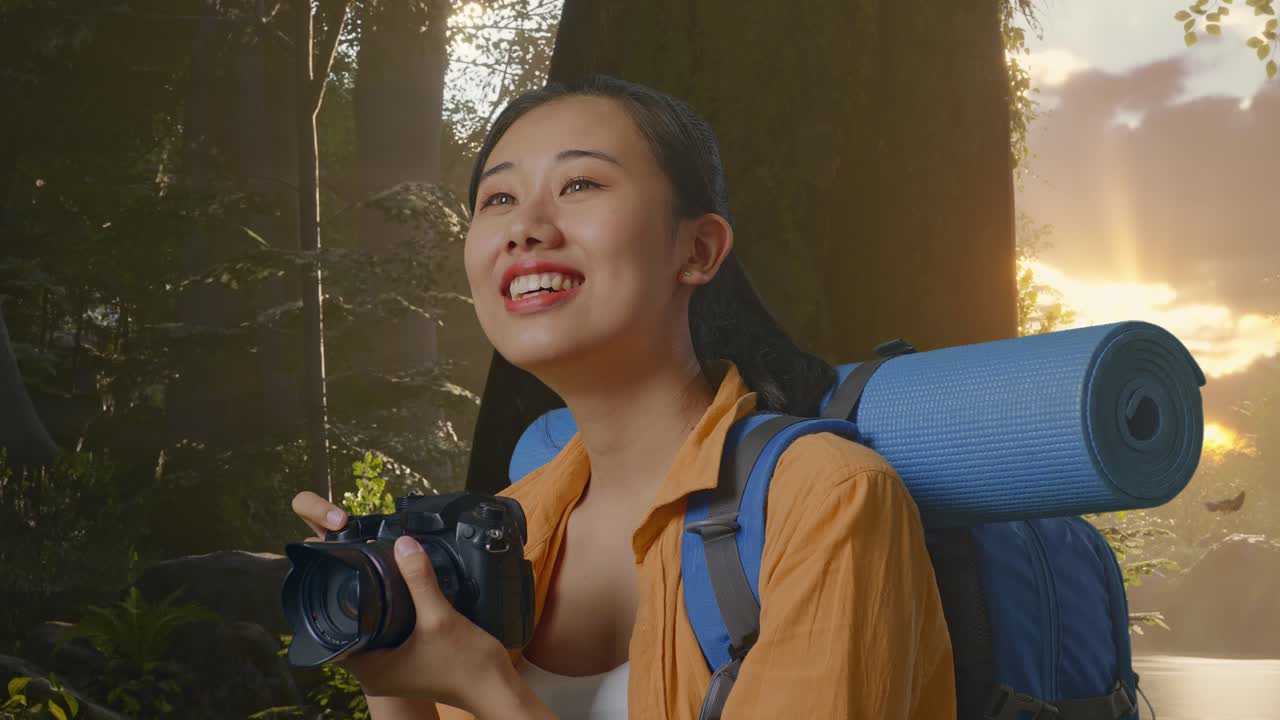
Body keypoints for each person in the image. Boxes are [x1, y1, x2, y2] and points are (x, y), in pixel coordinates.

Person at [291, 74, 956, 720]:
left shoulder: (826, 499)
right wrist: (386, 659)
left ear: (698, 249)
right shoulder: (507, 525)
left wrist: (487, 687)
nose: (525, 228)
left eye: (579, 184)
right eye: (498, 199)